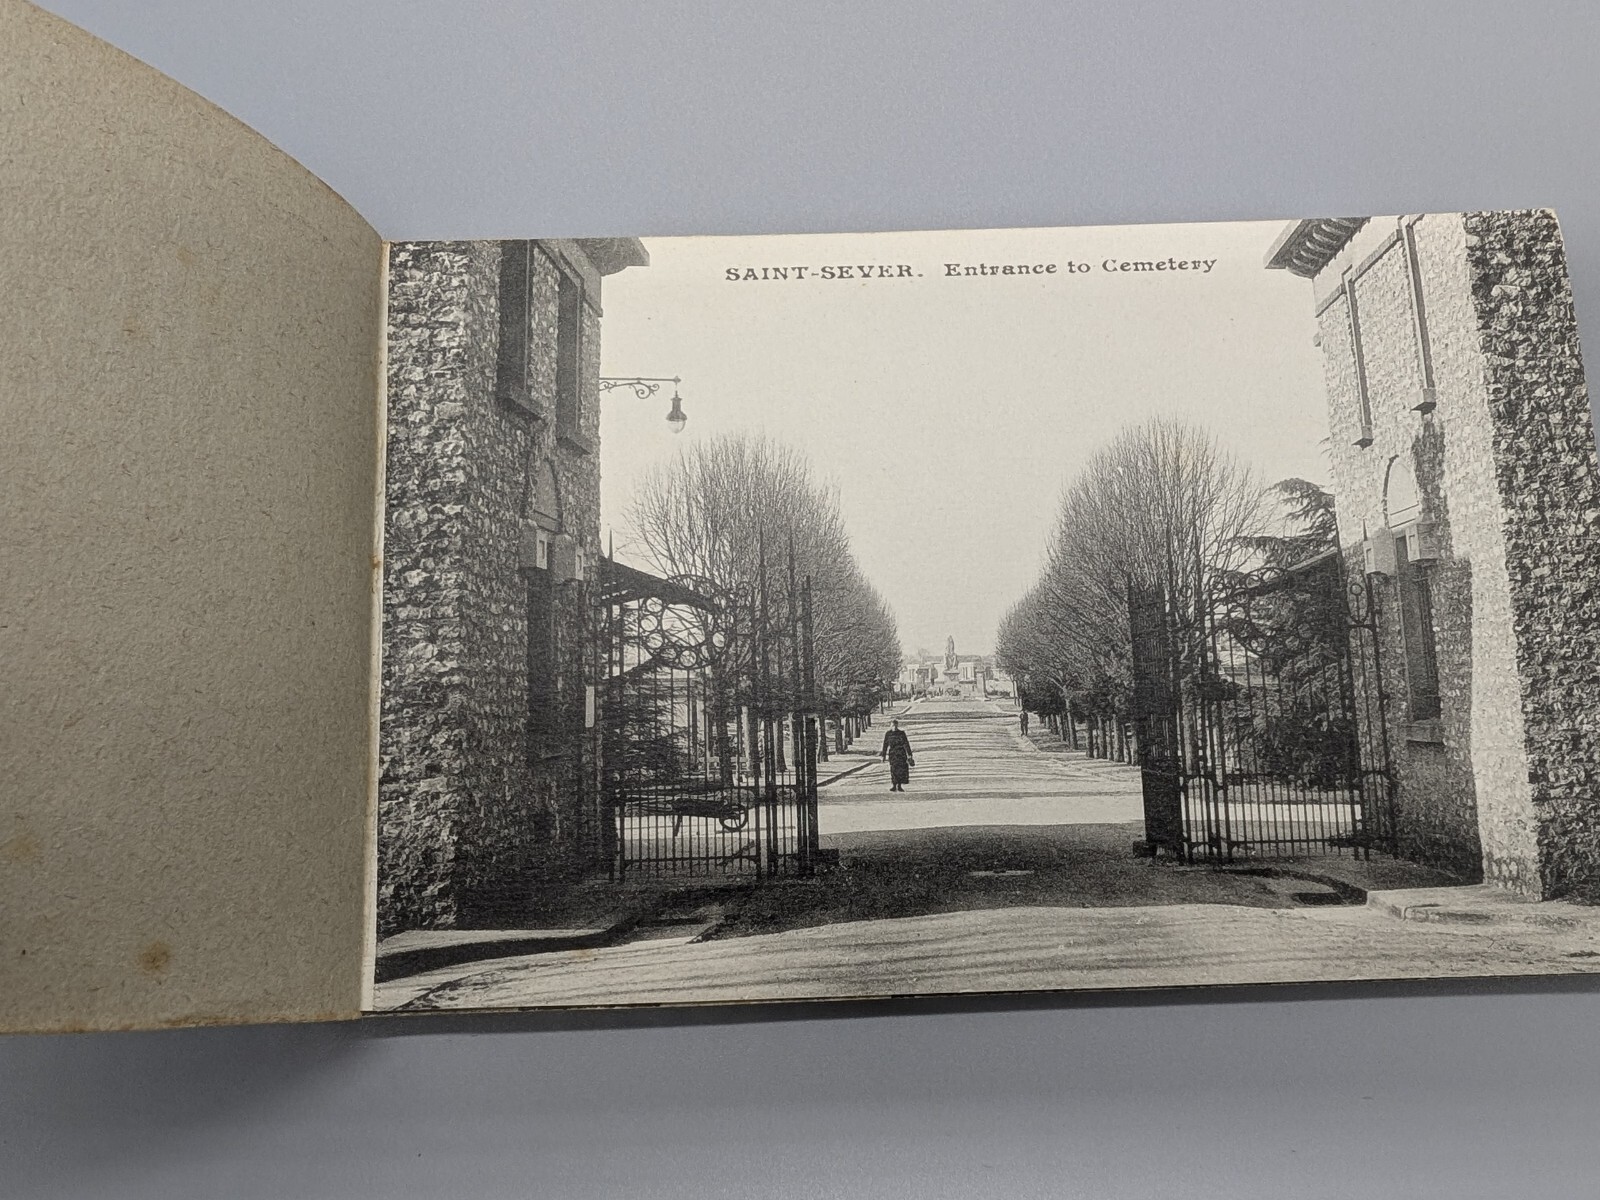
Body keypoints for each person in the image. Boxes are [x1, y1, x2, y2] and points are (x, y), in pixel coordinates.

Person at [881, 718, 914, 792]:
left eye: (895, 725)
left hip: (901, 753)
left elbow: (906, 744)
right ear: (890, 726)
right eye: (893, 725)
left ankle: (899, 785)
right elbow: (885, 745)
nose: (894, 727)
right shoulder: (888, 734)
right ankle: (894, 785)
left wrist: (909, 754)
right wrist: (883, 755)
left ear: (897, 725)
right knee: (893, 769)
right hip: (893, 754)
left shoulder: (901, 733)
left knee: (901, 770)